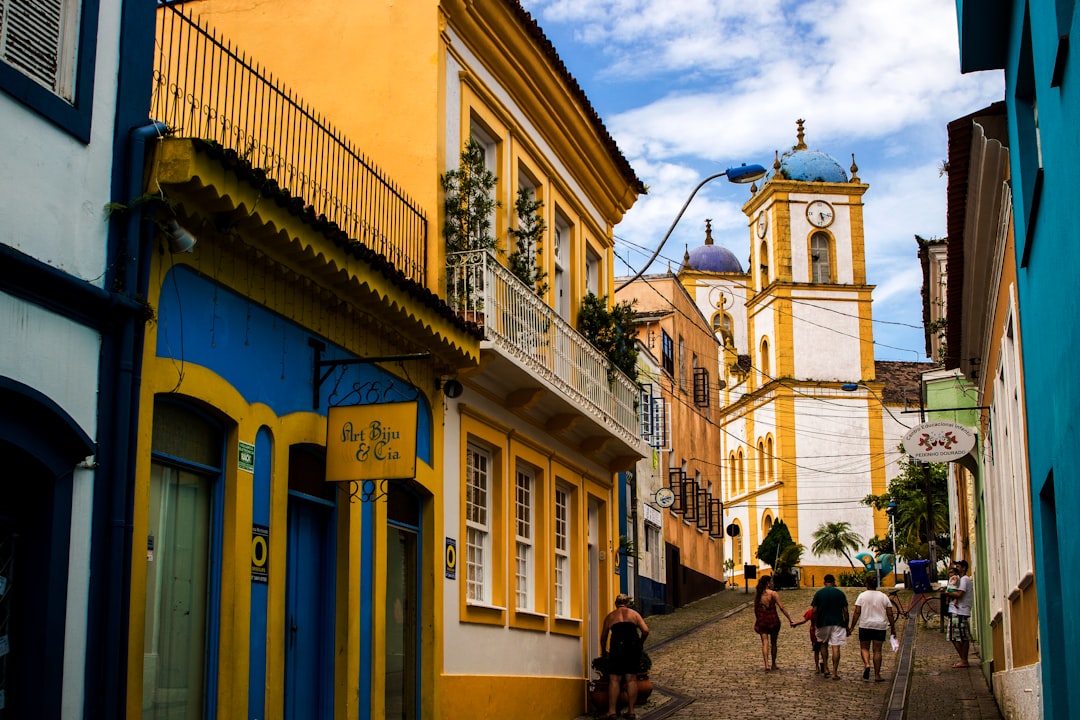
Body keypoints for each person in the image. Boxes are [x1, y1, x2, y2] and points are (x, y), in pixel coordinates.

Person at [599, 593, 650, 720]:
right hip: (632, 647)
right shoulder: (634, 614)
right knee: (631, 679)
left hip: (617, 647)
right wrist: (640, 643)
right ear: (627, 603)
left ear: (616, 604)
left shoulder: (610, 616)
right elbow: (645, 630)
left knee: (614, 680)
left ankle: (612, 712)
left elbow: (604, 636)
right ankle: (631, 711)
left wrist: (604, 651)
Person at [848, 574, 896, 682]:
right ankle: (877, 675)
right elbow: (890, 614)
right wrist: (893, 628)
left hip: (865, 625)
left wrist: (852, 627)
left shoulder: (862, 596)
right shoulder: (884, 597)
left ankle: (867, 664)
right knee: (877, 650)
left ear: (867, 585)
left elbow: (857, 612)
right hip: (879, 626)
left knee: (864, 648)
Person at [811, 573, 849, 679]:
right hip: (837, 622)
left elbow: (814, 611)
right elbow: (845, 611)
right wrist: (846, 624)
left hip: (822, 622)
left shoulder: (818, 594)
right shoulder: (840, 594)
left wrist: (813, 623)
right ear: (834, 582)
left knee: (823, 644)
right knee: (836, 647)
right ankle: (834, 672)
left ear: (824, 582)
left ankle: (826, 667)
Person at [753, 575, 794, 671]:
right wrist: (790, 619)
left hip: (762, 620)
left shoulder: (758, 594)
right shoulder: (773, 594)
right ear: (768, 583)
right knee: (774, 643)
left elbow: (755, 609)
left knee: (765, 642)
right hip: (773, 620)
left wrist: (758, 618)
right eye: (771, 582)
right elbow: (782, 607)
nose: (772, 583)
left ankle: (766, 664)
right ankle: (773, 664)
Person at [944, 559, 973, 668]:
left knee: (958, 636)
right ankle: (963, 659)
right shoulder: (961, 579)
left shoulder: (964, 580)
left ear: (964, 568)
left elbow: (959, 594)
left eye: (959, 567)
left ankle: (964, 659)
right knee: (956, 636)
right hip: (957, 611)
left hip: (959, 611)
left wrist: (947, 594)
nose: (957, 568)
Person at [791, 605, 828, 675]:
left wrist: (796, 623)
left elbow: (804, 620)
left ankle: (819, 666)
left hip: (815, 633)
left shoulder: (812, 611)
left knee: (817, 651)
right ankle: (823, 666)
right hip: (820, 632)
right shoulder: (821, 611)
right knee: (823, 649)